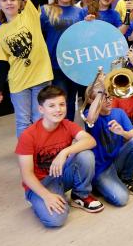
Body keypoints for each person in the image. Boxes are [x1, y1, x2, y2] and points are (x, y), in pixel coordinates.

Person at [15, 85, 103, 228]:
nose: (58, 109)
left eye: (62, 104)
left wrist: (64, 152)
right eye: (52, 106)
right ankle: (42, 199)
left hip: (61, 174)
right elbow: (26, 175)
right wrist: (46, 195)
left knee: (86, 155)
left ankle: (79, 195)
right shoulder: (28, 135)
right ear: (41, 110)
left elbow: (90, 141)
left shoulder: (67, 124)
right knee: (56, 220)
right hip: (41, 183)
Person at [0, 0, 53, 137]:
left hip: (41, 76)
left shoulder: (29, 14)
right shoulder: (0, 32)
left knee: (40, 119)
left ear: (19, 2)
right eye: (4, 0)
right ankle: (27, 158)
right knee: (22, 121)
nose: (9, 2)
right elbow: (2, 63)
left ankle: (41, 156)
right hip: (18, 81)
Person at [83, 82, 133, 206]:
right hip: (101, 169)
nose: (108, 100)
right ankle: (100, 185)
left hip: (117, 160)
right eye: (102, 97)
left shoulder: (119, 113)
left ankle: (126, 178)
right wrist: (100, 91)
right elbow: (91, 118)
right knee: (122, 199)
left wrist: (122, 133)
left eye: (109, 96)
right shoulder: (88, 115)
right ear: (92, 101)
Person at [40, 0, 86, 121]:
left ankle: (69, 133)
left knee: (72, 100)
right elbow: (39, 36)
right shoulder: (46, 10)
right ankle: (61, 136)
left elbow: (85, 36)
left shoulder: (81, 12)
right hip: (56, 64)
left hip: (76, 64)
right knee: (60, 101)